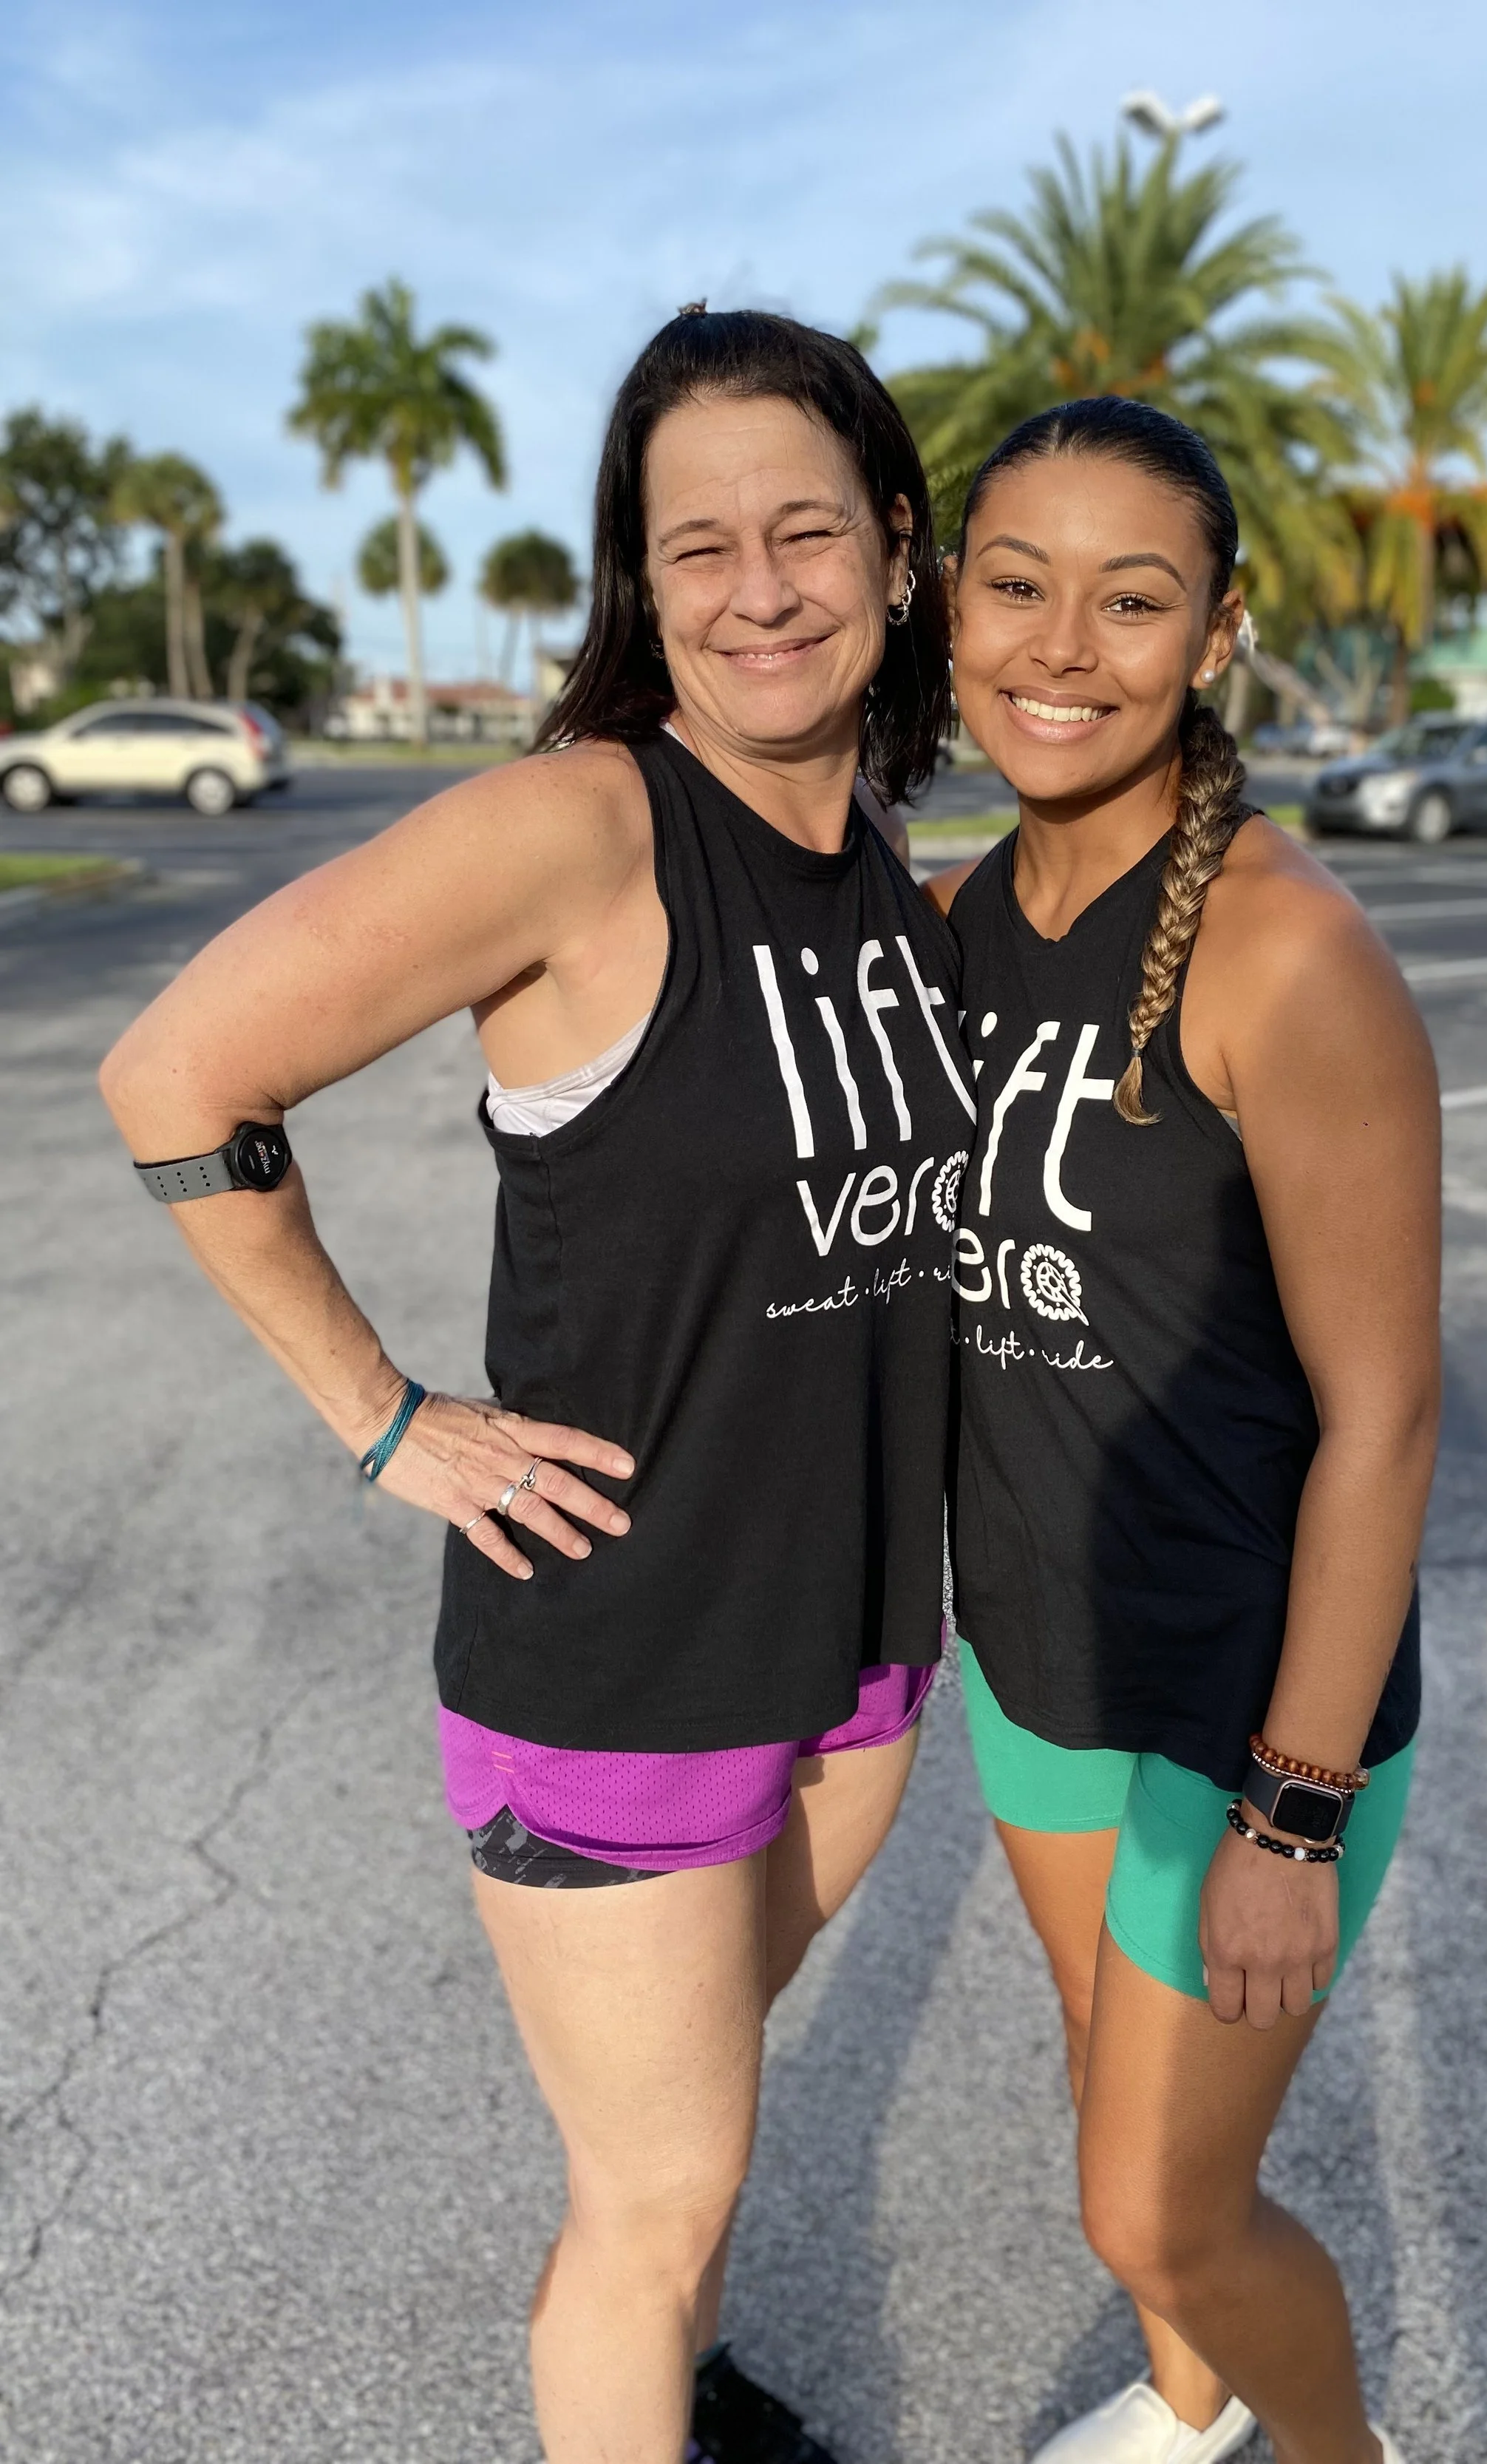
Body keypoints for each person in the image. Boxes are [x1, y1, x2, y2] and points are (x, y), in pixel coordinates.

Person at [101, 307, 975, 2464]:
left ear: (897, 545)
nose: (758, 589)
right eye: (697, 548)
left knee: (681, 2142)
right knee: (651, 2200)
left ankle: (683, 2391)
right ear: (639, 585)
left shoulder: (879, 856)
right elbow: (178, 1075)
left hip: (851, 1644)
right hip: (623, 1664)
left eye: (804, 530)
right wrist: (383, 1417)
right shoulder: (584, 828)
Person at [926, 398, 1440, 2464]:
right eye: (1016, 585)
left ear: (1215, 635)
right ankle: (1189, 2402)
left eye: (1130, 601)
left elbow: (1384, 1418)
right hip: (1037, 1662)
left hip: (1249, 1705)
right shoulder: (953, 924)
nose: (1062, 646)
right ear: (947, 605)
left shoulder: (1288, 952)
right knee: (1096, 2059)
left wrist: (1292, 1817)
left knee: (1157, 2205)